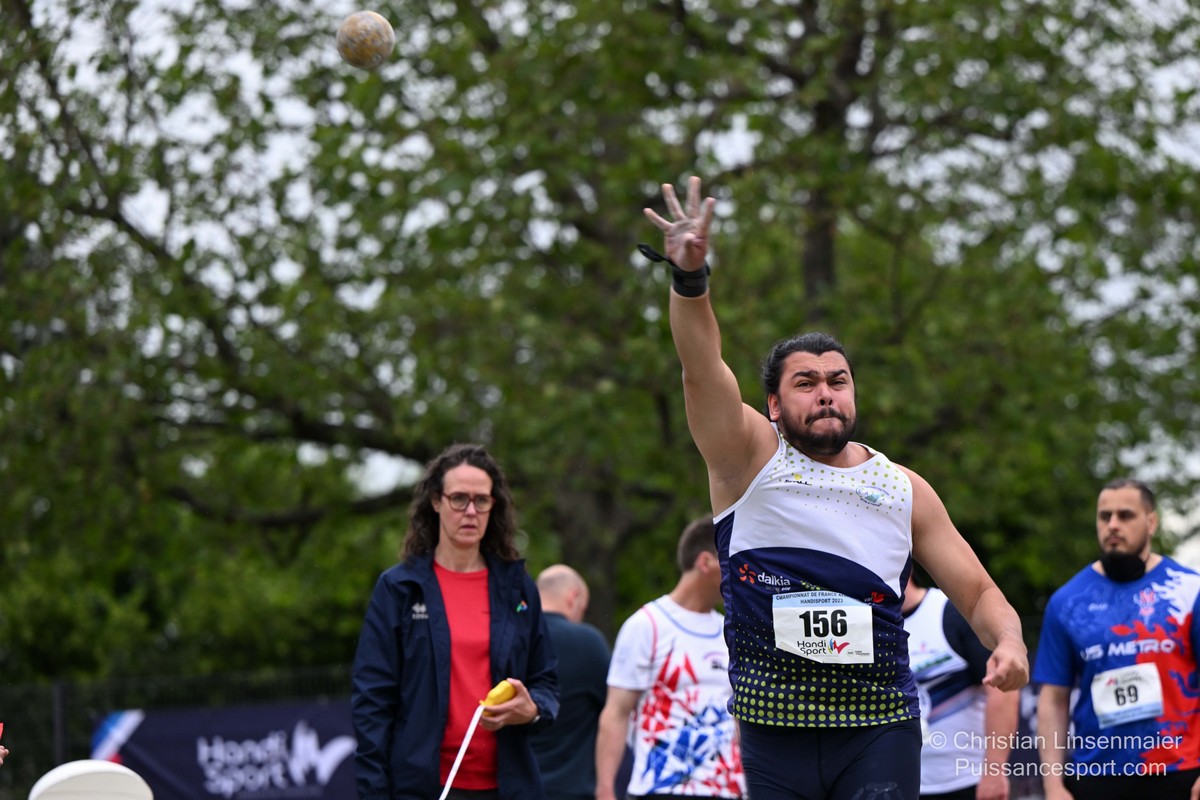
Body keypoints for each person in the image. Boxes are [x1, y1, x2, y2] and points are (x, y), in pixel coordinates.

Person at [641, 175, 1028, 800]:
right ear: (773, 404)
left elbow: (978, 591)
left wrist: (1008, 641)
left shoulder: (902, 487)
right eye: (806, 382)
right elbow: (701, 370)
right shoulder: (748, 457)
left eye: (838, 380)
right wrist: (691, 280)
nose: (825, 392)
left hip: (878, 725)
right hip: (774, 727)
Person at [351, 442, 560, 800]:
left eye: (482, 500)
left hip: (507, 788)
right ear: (436, 501)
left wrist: (533, 709)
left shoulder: (518, 589)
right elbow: (372, 701)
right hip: (423, 787)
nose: (471, 511)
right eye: (459, 499)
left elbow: (546, 681)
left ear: (494, 505)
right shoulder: (399, 589)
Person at [1034, 478, 1200, 800]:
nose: (1112, 525)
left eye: (1125, 515)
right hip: (1098, 774)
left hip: (1179, 771)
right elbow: (1053, 698)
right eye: (1104, 516)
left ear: (1151, 522)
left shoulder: (1189, 590)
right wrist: (1053, 785)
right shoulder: (1067, 601)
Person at [595, 515, 745, 800]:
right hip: (662, 788)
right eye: (730, 562)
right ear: (705, 563)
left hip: (727, 790)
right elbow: (616, 713)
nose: (739, 573)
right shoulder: (647, 625)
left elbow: (740, 719)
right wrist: (605, 790)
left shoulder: (730, 631)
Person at [903, 575, 1020, 800]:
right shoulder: (866, 625)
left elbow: (1002, 691)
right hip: (904, 784)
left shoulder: (950, 611)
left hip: (968, 779)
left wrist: (994, 770)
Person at [529, 564, 612, 800]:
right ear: (573, 597)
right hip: (572, 790)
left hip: (516, 787)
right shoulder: (588, 643)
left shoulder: (512, 639)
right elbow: (614, 711)